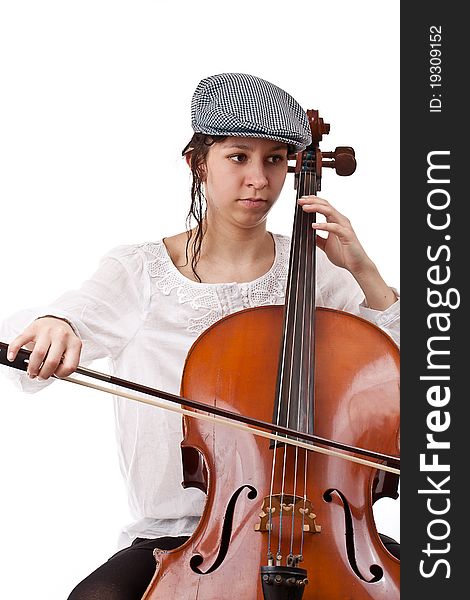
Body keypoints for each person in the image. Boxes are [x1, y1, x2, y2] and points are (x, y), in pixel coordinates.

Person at [0, 73, 400, 599]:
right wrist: (57, 323)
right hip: (178, 539)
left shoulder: (321, 276)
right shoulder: (141, 272)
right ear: (198, 162)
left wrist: (367, 275)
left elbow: (423, 376)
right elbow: (60, 317)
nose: (259, 179)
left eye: (275, 159)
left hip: (326, 528)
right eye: (238, 157)